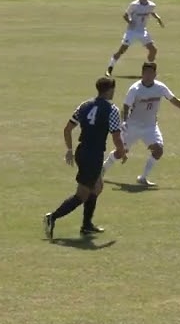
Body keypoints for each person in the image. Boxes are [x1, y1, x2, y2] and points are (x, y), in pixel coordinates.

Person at [43, 77, 128, 239]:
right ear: (110, 90)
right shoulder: (112, 110)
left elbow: (67, 129)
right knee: (82, 194)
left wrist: (69, 150)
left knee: (97, 187)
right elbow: (116, 136)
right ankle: (52, 217)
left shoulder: (84, 105)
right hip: (93, 155)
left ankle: (87, 225)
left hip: (82, 151)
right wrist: (122, 152)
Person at [102, 61, 180, 187]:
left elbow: (174, 100)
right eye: (145, 73)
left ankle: (143, 177)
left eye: (150, 73)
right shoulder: (135, 89)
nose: (148, 75)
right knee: (120, 152)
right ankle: (102, 170)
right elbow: (126, 106)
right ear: (142, 73)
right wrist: (124, 122)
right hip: (133, 126)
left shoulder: (160, 87)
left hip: (150, 127)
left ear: (155, 74)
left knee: (158, 150)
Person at [106, 0, 164, 76]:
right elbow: (125, 15)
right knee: (122, 50)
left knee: (153, 50)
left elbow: (151, 11)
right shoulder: (134, 5)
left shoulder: (152, 5)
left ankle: (149, 70)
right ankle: (110, 68)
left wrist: (158, 18)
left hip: (143, 31)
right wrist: (130, 22)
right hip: (132, 31)